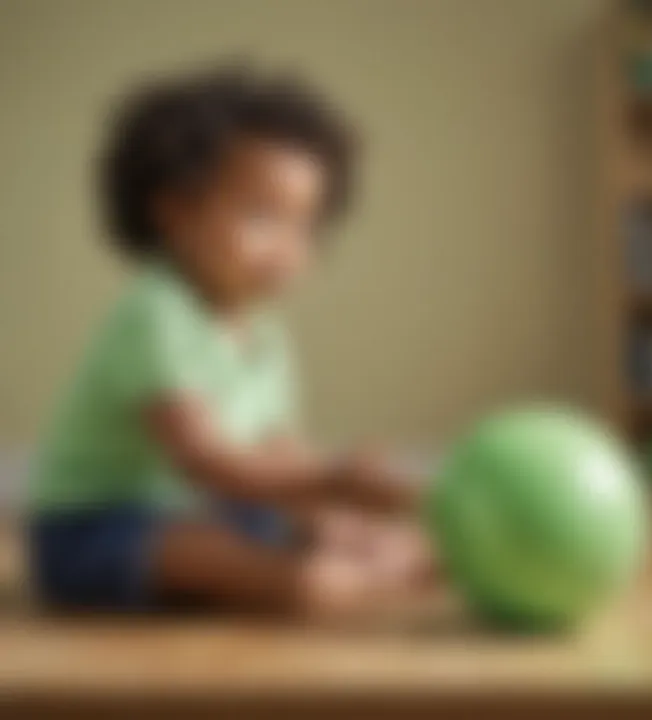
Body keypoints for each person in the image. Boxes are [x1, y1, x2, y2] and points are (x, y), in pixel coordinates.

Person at [27, 65, 434, 620]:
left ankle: (364, 562)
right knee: (226, 555)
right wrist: (335, 479)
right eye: (262, 216)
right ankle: (308, 583)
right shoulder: (155, 313)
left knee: (298, 524)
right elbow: (206, 461)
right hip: (97, 525)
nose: (289, 247)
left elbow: (276, 454)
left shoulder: (264, 334)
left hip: (206, 510)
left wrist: (337, 514)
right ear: (175, 210)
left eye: (305, 225)